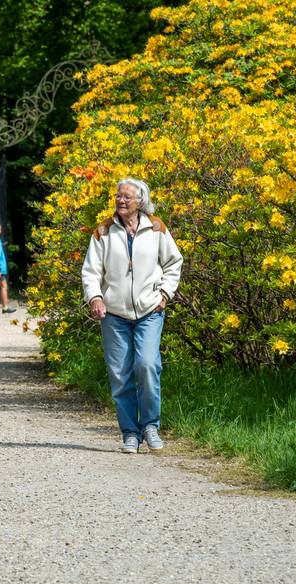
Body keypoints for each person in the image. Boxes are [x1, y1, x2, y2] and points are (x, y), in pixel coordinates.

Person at [81, 178, 183, 454]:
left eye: (127, 196)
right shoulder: (103, 231)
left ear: (141, 201)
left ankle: (150, 426)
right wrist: (95, 297)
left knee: (147, 365)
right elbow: (91, 271)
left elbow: (174, 262)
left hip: (150, 310)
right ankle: (130, 433)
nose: (121, 200)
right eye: (118, 195)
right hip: (114, 314)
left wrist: (165, 293)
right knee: (120, 375)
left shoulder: (157, 228)